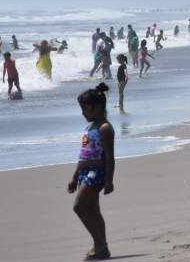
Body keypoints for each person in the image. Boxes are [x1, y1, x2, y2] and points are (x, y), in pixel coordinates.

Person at [68, 83, 115, 261]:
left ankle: (99, 245)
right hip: (84, 172)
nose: (83, 113)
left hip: (97, 172)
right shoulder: (89, 128)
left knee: (79, 207)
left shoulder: (105, 128)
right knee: (93, 210)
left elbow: (110, 156)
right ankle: (103, 246)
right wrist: (74, 176)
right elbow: (83, 155)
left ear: (98, 107)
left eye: (85, 109)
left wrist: (109, 180)